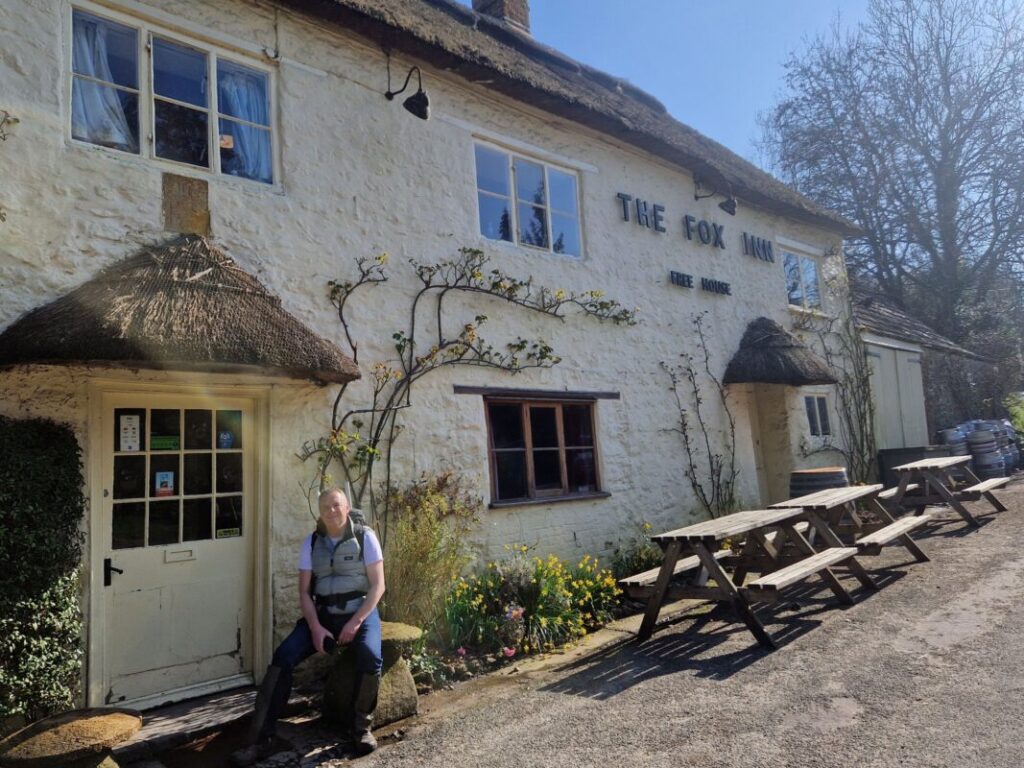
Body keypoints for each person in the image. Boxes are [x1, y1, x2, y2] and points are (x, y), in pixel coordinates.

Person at [231, 488, 385, 766]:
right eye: (325, 507)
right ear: (319, 512)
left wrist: (355, 622)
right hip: (323, 615)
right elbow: (304, 592)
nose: (331, 511)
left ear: (347, 507)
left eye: (336, 505)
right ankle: (261, 739)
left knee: (372, 657)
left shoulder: (366, 537)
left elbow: (378, 586)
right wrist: (315, 627)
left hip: (360, 612)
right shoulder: (311, 543)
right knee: (283, 657)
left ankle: (361, 728)